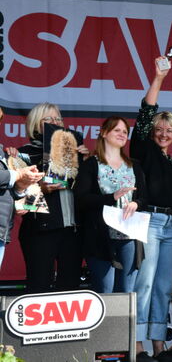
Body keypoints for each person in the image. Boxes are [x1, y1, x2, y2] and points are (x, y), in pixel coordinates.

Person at [130, 57, 172, 362]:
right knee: (144, 283)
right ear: (152, 132)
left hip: (171, 228)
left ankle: (158, 345)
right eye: (160, 128)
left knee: (163, 288)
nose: (164, 133)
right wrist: (158, 79)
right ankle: (138, 345)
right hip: (149, 222)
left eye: (170, 130)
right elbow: (145, 114)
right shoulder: (145, 151)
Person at [18, 102, 89, 293]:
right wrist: (40, 189)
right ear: (35, 123)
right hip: (41, 230)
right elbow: (20, 204)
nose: (55, 122)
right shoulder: (24, 154)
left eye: (58, 118)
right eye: (48, 119)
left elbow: (86, 194)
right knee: (39, 287)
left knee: (70, 288)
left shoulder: (74, 151)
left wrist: (86, 164)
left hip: (72, 231)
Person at [74, 117, 147, 294]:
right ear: (104, 133)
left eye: (125, 132)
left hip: (129, 235)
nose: (122, 134)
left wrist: (136, 203)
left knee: (127, 292)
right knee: (105, 292)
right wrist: (111, 197)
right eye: (117, 130)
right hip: (100, 237)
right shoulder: (91, 164)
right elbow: (81, 199)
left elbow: (145, 197)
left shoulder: (134, 165)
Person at [0, 107, 44, 269]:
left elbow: (9, 191)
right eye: (48, 119)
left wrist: (22, 187)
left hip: (2, 229)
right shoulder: (21, 152)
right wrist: (18, 174)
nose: (55, 123)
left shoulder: (2, 151)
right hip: (37, 228)